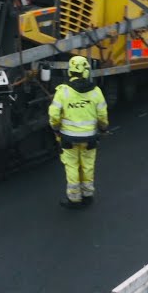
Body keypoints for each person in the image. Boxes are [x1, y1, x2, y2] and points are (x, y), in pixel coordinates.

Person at [48, 55, 109, 209]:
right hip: (90, 138)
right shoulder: (96, 92)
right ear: (86, 71)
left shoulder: (63, 91)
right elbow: (102, 115)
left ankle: (74, 198)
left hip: (68, 138)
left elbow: (54, 115)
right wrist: (103, 128)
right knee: (87, 165)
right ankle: (87, 195)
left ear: (70, 72)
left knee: (72, 166)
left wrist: (56, 128)